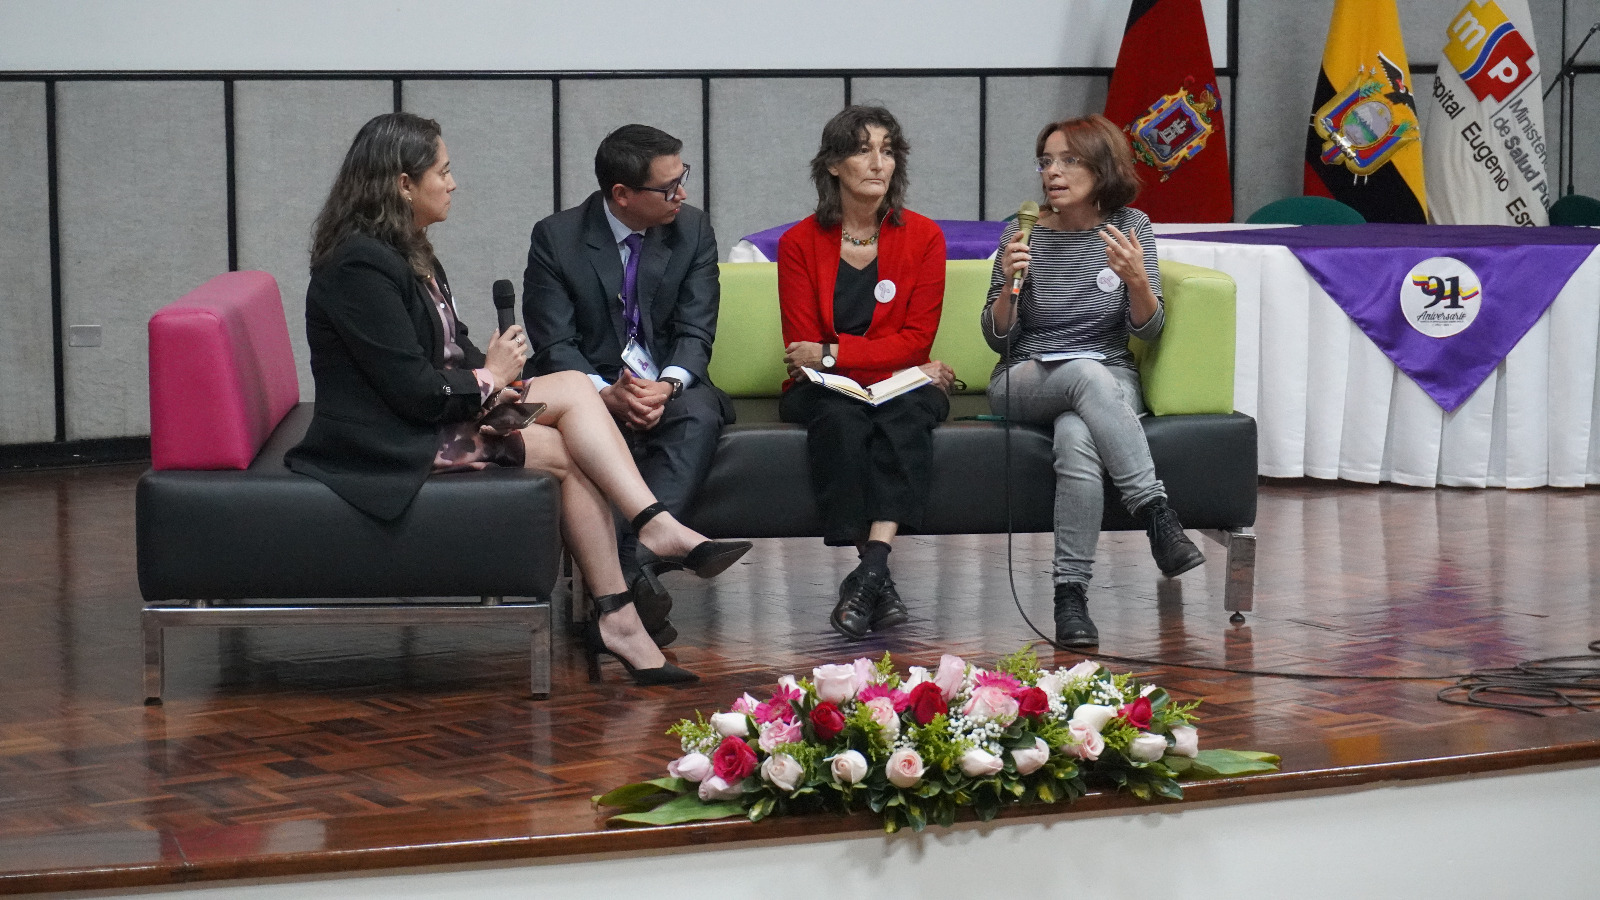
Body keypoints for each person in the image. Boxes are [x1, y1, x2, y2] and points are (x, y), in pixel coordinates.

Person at [285, 112, 748, 686]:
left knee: (569, 420)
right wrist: (489, 378)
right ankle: (648, 542)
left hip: (431, 415)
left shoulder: (407, 251)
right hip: (391, 439)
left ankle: (624, 603)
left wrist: (493, 376)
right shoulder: (358, 264)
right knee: (569, 417)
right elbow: (411, 390)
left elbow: (444, 355)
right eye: (444, 172)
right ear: (403, 184)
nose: (453, 183)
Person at [983, 113, 1205, 649]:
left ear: (1100, 166)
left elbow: (1146, 329)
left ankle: (1070, 598)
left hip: (1109, 376)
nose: (1052, 173)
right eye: (1045, 162)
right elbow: (996, 338)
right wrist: (1011, 286)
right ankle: (1157, 515)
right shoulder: (1023, 233)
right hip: (1026, 375)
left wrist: (1135, 281)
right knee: (1083, 373)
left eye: (1067, 160)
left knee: (1078, 438)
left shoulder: (1132, 228)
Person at [523, 124, 729, 649]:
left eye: (683, 178)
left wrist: (667, 384)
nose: (682, 194)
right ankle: (636, 576)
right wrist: (600, 392)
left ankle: (629, 566)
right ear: (622, 195)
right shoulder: (557, 238)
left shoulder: (693, 230)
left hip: (667, 384)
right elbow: (554, 342)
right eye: (668, 187)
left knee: (700, 413)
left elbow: (696, 328)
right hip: (590, 390)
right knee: (580, 425)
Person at [777, 106, 955, 641]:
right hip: (827, 391)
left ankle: (872, 570)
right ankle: (877, 578)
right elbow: (800, 347)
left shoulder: (923, 238)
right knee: (843, 418)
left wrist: (832, 353)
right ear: (833, 164)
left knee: (904, 414)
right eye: (862, 149)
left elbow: (916, 341)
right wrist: (838, 361)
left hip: (899, 385)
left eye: (888, 150)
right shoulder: (799, 243)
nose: (878, 163)